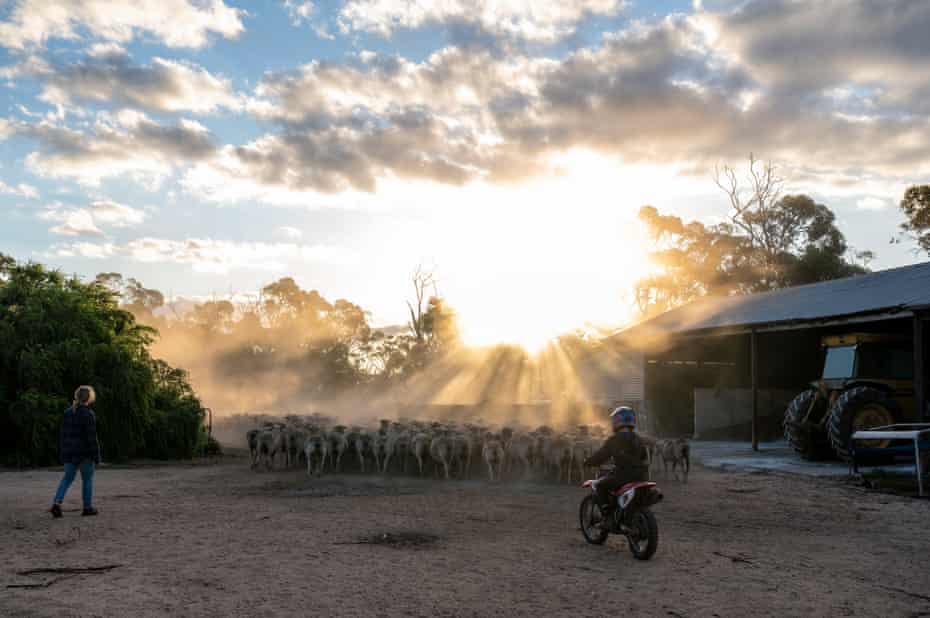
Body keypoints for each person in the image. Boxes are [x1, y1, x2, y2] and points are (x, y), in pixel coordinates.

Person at [583, 406, 649, 528]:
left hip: (623, 476)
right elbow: (644, 457)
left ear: (617, 421)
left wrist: (588, 462)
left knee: (599, 485)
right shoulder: (639, 439)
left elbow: (601, 455)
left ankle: (607, 517)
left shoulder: (614, 440)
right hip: (642, 476)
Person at [50, 385, 101, 518]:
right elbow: (91, 438)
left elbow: (63, 435)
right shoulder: (89, 414)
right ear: (89, 398)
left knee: (67, 478)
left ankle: (57, 503)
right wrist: (96, 456)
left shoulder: (67, 412)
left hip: (69, 452)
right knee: (87, 480)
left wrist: (63, 452)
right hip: (85, 454)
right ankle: (87, 508)